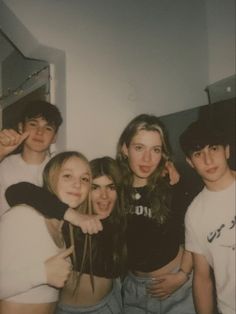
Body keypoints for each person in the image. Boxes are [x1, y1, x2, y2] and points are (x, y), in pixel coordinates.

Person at [6, 156, 127, 314]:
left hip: (111, 302)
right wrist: (72, 215)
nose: (104, 195)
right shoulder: (67, 215)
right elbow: (17, 191)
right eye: (95, 187)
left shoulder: (119, 220)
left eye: (111, 187)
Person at [116, 114, 195, 314]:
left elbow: (194, 235)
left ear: (163, 154)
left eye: (156, 150)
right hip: (134, 290)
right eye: (139, 148)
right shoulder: (114, 188)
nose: (147, 158)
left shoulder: (173, 185)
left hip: (176, 286)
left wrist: (183, 275)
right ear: (125, 149)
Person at [0, 150, 96, 314]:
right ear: (51, 178)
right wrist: (42, 273)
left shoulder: (61, 229)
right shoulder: (24, 216)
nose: (77, 184)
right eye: (67, 176)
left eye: (84, 179)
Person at [179, 120, 235, 314]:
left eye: (213, 148)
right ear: (190, 162)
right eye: (198, 154)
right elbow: (202, 278)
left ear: (227, 150)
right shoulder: (194, 214)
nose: (208, 160)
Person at [0, 100, 63, 215]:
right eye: (33, 124)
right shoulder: (3, 164)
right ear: (21, 127)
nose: (40, 132)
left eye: (48, 128)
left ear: (55, 137)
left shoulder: (60, 171)